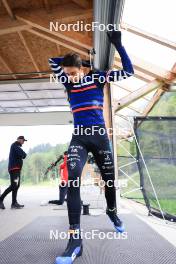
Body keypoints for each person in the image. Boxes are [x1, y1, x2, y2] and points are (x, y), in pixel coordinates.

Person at [49, 29, 134, 263]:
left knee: (109, 181)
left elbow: (129, 71)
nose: (71, 77)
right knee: (72, 178)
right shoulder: (68, 83)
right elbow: (52, 61)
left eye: (74, 73)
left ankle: (112, 212)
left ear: (82, 70)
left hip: (99, 137)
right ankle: (75, 240)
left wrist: (118, 44)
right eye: (68, 74)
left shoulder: (97, 78)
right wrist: (81, 62)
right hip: (79, 138)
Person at [0, 136, 27, 209]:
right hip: (14, 169)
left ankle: (14, 203)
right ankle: (1, 199)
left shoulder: (17, 147)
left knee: (16, 185)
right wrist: (23, 154)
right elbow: (24, 154)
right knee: (14, 185)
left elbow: (23, 155)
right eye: (23, 140)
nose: (23, 142)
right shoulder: (14, 145)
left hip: (17, 169)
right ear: (19, 140)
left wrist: (23, 155)